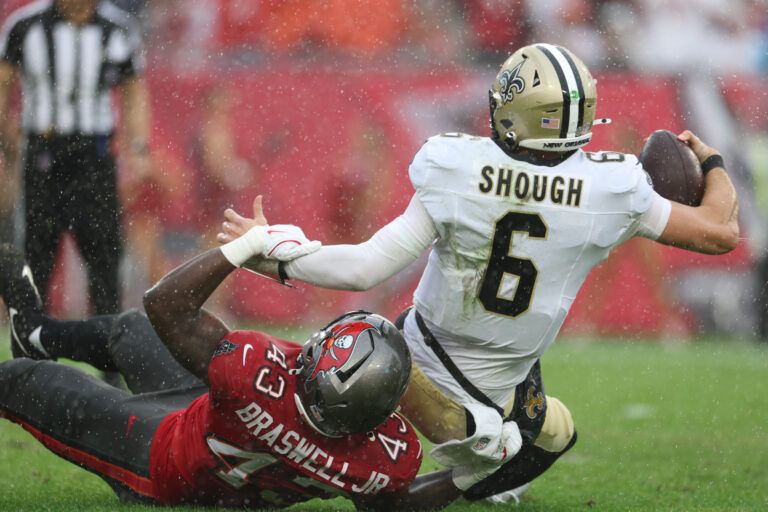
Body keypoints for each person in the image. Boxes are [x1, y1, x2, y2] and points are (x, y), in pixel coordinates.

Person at [218, 43, 740, 500]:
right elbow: (721, 231)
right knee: (555, 432)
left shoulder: (457, 167)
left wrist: (272, 252)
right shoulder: (614, 190)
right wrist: (713, 163)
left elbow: (364, 268)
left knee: (360, 341)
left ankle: (296, 446)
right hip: (501, 381)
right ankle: (481, 465)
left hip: (409, 362)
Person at [0, 229, 512, 508]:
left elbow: (166, 305)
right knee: (133, 332)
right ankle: (37, 333)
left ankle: (36, 342)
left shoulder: (253, 374)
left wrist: (247, 246)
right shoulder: (382, 457)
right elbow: (393, 505)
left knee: (27, 379)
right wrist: (467, 476)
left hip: (162, 461)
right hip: (215, 429)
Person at [0, 0, 150, 321]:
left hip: (94, 155)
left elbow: (133, 89)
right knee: (37, 254)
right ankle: (30, 341)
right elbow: (3, 82)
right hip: (43, 153)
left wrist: (138, 148)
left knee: (105, 254)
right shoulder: (25, 26)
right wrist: (7, 137)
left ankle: (107, 340)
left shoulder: (118, 28)